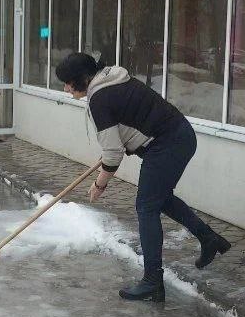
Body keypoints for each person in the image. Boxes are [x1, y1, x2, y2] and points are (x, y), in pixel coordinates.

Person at [55, 53, 230, 302]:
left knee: (146, 207)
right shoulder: (110, 81)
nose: (65, 88)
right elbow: (127, 123)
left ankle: (152, 281)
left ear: (81, 79)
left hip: (167, 143)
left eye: (67, 82)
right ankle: (209, 239)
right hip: (178, 135)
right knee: (160, 199)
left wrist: (99, 185)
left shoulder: (100, 98)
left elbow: (113, 155)